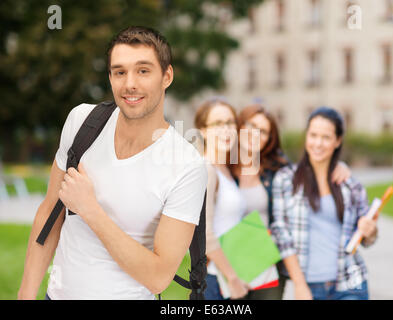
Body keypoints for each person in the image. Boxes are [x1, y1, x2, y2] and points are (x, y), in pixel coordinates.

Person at [18, 26, 207, 300]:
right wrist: (26, 294)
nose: (129, 83)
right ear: (110, 77)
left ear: (166, 76)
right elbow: (50, 213)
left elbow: (158, 277)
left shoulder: (187, 165)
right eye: (119, 72)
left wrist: (90, 209)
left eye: (143, 71)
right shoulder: (82, 122)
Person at [231, 104, 352, 300]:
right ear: (239, 126)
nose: (255, 134)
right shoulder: (222, 168)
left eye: (263, 131)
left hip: (266, 262)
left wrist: (339, 165)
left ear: (269, 140)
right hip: (228, 260)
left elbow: (311, 169)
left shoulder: (277, 168)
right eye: (251, 125)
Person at [271, 106, 378, 300]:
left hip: (350, 284)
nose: (318, 143)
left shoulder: (350, 185)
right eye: (313, 135)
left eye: (326, 137)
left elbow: (366, 239)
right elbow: (281, 235)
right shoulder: (286, 180)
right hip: (308, 287)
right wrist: (300, 285)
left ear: (337, 141)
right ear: (306, 137)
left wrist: (371, 232)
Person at [194, 98, 249, 300]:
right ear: (203, 130)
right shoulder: (206, 169)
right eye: (218, 124)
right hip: (215, 281)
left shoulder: (225, 169)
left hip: (230, 275)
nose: (226, 129)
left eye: (230, 122)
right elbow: (204, 234)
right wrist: (233, 278)